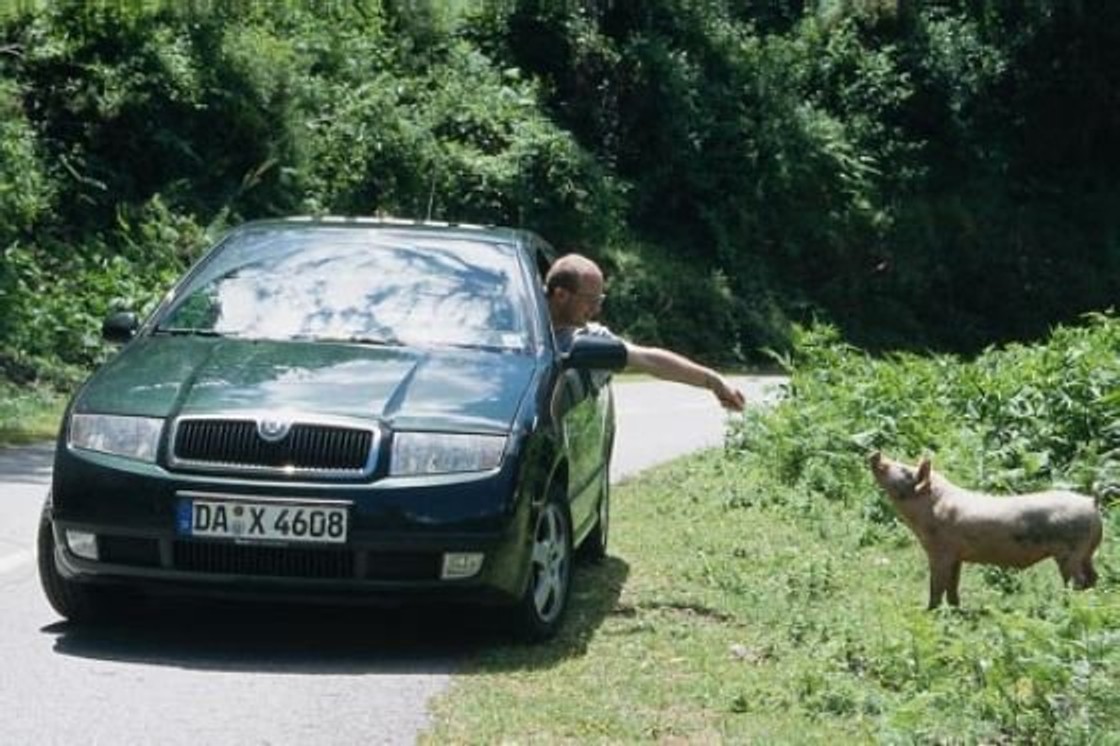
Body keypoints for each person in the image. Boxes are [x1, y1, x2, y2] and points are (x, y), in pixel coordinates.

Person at [545, 253, 746, 412]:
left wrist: (713, 380)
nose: (597, 310)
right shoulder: (519, 330)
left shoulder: (591, 339)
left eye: (600, 300)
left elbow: (650, 360)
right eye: (591, 300)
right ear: (561, 295)